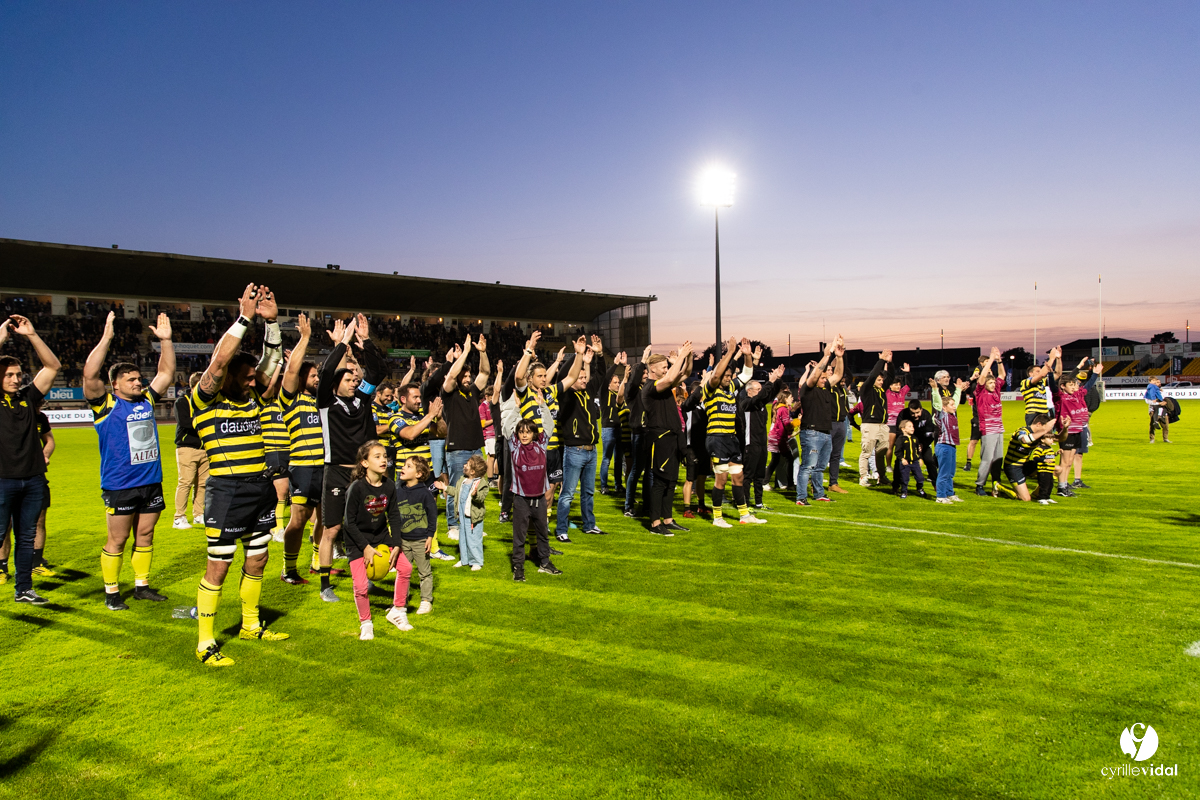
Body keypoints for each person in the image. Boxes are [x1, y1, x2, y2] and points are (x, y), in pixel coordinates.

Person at [191, 284, 289, 667]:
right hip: (227, 491)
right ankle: (205, 642)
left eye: (254, 377)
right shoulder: (205, 397)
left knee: (258, 559)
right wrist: (246, 318)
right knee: (218, 565)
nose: (253, 381)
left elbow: (272, 365)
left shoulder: (253, 400)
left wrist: (272, 324)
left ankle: (250, 625)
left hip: (259, 487)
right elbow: (217, 365)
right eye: (246, 377)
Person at [82, 311, 175, 609]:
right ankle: (111, 593)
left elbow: (166, 374)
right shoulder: (106, 404)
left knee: (145, 535)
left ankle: (141, 586)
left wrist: (167, 342)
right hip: (120, 485)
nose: (139, 382)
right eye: (131, 379)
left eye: (138, 377)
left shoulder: (146, 400)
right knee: (118, 540)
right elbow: (89, 375)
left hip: (151, 482)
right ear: (116, 385)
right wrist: (107, 337)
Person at [316, 314, 389, 601]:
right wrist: (342, 343)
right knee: (332, 528)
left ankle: (365, 578)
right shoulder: (325, 401)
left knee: (363, 528)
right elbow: (324, 375)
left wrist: (367, 341)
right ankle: (325, 585)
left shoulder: (362, 398)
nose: (353, 382)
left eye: (354, 378)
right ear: (337, 382)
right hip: (335, 472)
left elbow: (379, 369)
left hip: (361, 476)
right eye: (348, 379)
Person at [0, 314, 61, 604]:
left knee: (26, 538)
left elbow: (52, 366)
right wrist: (2, 337)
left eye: (18, 374)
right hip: (2, 481)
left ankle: (23, 589)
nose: (16, 379)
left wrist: (32, 335)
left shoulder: (29, 398)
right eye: (9, 374)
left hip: (34, 480)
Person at [342, 441, 415, 640]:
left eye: (384, 456)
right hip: (357, 540)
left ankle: (398, 611)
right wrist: (365, 547)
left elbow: (394, 516)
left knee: (406, 569)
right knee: (360, 586)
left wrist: (397, 544)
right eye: (377, 456)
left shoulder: (390, 485)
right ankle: (366, 623)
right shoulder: (356, 488)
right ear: (364, 463)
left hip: (382, 536)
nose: (383, 460)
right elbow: (348, 523)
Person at [278, 314, 324, 585]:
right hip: (303, 467)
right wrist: (304, 339)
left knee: (324, 517)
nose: (317, 379)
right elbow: (291, 373)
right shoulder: (291, 401)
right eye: (314, 375)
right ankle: (289, 568)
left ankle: (317, 562)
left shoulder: (320, 403)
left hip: (324, 467)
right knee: (298, 519)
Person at [703, 337, 764, 527]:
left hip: (731, 438)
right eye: (726, 376)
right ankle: (717, 518)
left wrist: (747, 355)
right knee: (721, 479)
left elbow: (747, 374)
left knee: (738, 476)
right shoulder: (711, 389)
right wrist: (729, 353)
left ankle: (744, 515)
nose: (728, 378)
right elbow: (714, 377)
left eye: (730, 376)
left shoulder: (730, 388)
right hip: (717, 438)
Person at [641, 341, 694, 535]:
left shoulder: (666, 382)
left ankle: (668, 519)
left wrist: (687, 357)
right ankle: (655, 523)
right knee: (660, 482)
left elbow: (686, 373)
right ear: (652, 369)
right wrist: (679, 358)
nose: (666, 369)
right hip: (660, 438)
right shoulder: (650, 387)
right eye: (663, 366)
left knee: (671, 481)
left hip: (673, 437)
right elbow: (672, 376)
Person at [556, 336, 606, 539]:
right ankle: (561, 530)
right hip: (574, 450)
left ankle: (589, 524)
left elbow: (601, 374)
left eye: (585, 377)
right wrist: (577, 354)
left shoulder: (588, 391)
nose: (584, 380)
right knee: (567, 494)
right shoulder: (566, 394)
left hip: (591, 450)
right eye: (580, 377)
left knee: (588, 492)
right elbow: (562, 375)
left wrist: (600, 355)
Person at [440, 334, 490, 536]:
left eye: (470, 376)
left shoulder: (473, 392)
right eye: (465, 376)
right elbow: (451, 376)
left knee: (477, 488)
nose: (468, 379)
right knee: (457, 487)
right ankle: (453, 525)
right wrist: (466, 352)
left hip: (476, 447)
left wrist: (482, 352)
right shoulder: (449, 393)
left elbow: (485, 371)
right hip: (457, 448)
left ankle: (473, 522)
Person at [794, 338, 843, 507]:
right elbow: (815, 374)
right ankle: (801, 497)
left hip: (825, 432)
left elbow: (838, 375)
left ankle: (819, 494)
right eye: (822, 377)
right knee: (807, 466)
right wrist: (827, 355)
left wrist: (839, 357)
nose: (825, 379)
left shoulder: (826, 388)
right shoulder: (808, 389)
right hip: (812, 432)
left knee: (820, 467)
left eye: (825, 378)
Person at [507, 418, 558, 581]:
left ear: (534, 433)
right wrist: (514, 408)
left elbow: (550, 426)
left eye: (528, 432)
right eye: (521, 432)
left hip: (539, 499)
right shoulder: (514, 447)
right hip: (521, 500)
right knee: (519, 536)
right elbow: (507, 427)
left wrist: (543, 405)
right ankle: (518, 567)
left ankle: (545, 562)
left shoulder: (541, 445)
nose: (524, 435)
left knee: (543, 533)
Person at [393, 455, 439, 615]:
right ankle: (400, 603)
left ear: (418, 474)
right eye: (404, 465)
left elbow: (432, 516)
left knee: (424, 572)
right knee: (402, 572)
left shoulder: (425, 494)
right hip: (403, 540)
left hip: (421, 541)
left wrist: (430, 536)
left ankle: (426, 600)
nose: (403, 468)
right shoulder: (398, 492)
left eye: (408, 466)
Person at [1050, 361, 1101, 497]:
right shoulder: (1060, 397)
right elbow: (1053, 388)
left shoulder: (1078, 394)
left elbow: (1088, 386)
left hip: (1078, 430)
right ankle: (1061, 488)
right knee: (1065, 461)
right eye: (1071, 385)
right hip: (1068, 432)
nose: (1074, 387)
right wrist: (1050, 373)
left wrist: (1095, 374)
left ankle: (1065, 485)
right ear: (1063, 387)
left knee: (1070, 461)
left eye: (1075, 384)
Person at [739, 355, 784, 510]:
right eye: (757, 389)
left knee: (760, 475)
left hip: (761, 444)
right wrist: (770, 383)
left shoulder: (761, 403)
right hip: (750, 445)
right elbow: (764, 395)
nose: (760, 392)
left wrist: (777, 379)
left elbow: (771, 393)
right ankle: (744, 503)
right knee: (748, 476)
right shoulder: (746, 404)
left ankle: (758, 502)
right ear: (749, 391)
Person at [173, 372, 209, 529]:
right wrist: (205, 423)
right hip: (187, 448)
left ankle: (199, 514)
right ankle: (179, 517)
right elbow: (185, 422)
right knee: (185, 483)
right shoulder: (183, 401)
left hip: (205, 448)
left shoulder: (207, 402)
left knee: (203, 484)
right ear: (196, 385)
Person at [970, 348, 1007, 497]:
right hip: (988, 429)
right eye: (990, 382)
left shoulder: (996, 390)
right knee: (987, 458)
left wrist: (999, 360)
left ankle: (995, 484)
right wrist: (991, 359)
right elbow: (983, 375)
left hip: (999, 429)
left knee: (998, 459)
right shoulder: (980, 392)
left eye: (993, 382)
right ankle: (979, 485)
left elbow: (1002, 374)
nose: (993, 384)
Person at [999, 414, 1060, 503]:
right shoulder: (1022, 431)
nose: (1047, 431)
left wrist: (1065, 428)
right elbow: (1024, 439)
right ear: (1039, 424)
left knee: (1056, 469)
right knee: (1025, 499)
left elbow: (1059, 438)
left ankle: (1037, 494)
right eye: (1045, 428)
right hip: (1013, 466)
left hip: (1026, 465)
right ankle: (999, 486)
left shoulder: (1039, 435)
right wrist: (1045, 430)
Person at [929, 371, 970, 504]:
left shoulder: (951, 414)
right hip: (944, 446)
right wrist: (935, 390)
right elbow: (936, 403)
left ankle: (949, 493)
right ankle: (940, 496)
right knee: (944, 473)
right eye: (951, 405)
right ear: (944, 408)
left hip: (951, 446)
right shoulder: (941, 415)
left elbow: (956, 401)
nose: (954, 407)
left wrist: (958, 389)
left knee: (950, 473)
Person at [447, 454, 487, 570]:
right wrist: (445, 488)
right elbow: (456, 492)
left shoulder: (481, 484)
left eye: (467, 465)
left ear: (473, 471)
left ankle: (476, 561)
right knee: (463, 537)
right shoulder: (462, 481)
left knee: (474, 539)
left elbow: (481, 498)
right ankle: (464, 559)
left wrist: (475, 495)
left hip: (473, 517)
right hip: (463, 515)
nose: (464, 465)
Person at [857, 352, 891, 485]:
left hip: (882, 424)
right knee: (866, 452)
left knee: (881, 453)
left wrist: (889, 363)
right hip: (870, 424)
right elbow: (872, 376)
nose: (882, 382)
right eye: (879, 380)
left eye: (882, 380)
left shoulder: (881, 391)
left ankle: (881, 477)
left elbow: (891, 376)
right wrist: (881, 361)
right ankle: (863, 477)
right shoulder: (866, 389)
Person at [598, 353, 628, 495]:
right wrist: (615, 364)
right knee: (606, 459)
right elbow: (603, 379)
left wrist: (625, 367)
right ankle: (604, 486)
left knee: (618, 460)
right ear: (609, 383)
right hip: (608, 429)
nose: (618, 384)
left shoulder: (619, 396)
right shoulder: (604, 394)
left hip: (619, 429)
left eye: (618, 382)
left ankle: (618, 485)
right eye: (615, 382)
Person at [896, 400, 940, 486]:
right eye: (913, 413)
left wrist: (923, 444)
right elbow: (899, 432)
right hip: (907, 444)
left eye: (917, 412)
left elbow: (930, 433)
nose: (915, 415)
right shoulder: (903, 415)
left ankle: (936, 484)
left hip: (922, 443)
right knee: (899, 462)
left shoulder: (926, 415)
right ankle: (897, 485)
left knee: (929, 461)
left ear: (921, 409)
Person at [1019, 347, 1061, 425]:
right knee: (1035, 435)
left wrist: (1058, 359)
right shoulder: (1026, 382)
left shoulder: (1043, 382)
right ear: (1030, 374)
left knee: (1045, 435)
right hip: (1033, 413)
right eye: (1037, 371)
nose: (1040, 372)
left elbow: (1057, 374)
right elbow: (1042, 374)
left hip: (1044, 412)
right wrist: (1051, 358)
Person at [883, 362, 911, 467]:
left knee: (903, 446)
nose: (898, 386)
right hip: (890, 424)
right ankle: (888, 466)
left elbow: (909, 385)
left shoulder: (902, 393)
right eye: (895, 384)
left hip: (901, 424)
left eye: (899, 384)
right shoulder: (887, 393)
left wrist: (907, 373)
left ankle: (903, 465)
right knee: (890, 446)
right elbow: (884, 383)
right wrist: (886, 372)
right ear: (890, 385)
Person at [766, 388, 793, 491]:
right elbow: (786, 424)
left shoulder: (781, 408)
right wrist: (797, 422)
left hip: (776, 437)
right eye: (790, 397)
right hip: (778, 438)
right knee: (788, 459)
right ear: (785, 398)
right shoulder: (783, 409)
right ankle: (789, 484)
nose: (792, 399)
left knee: (776, 460)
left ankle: (766, 482)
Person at [892, 420, 928, 499]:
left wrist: (920, 458)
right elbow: (897, 451)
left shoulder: (915, 438)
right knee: (905, 478)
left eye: (913, 427)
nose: (912, 428)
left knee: (920, 477)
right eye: (910, 427)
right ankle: (904, 491)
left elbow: (917, 450)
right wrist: (902, 459)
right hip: (905, 463)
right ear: (903, 429)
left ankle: (920, 488)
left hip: (914, 462)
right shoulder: (900, 439)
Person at [1145, 376, 1172, 443]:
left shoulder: (1162, 391)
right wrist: (1158, 403)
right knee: (1153, 425)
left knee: (1165, 425)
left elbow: (1165, 399)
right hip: (1153, 411)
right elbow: (1147, 401)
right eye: (1157, 382)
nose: (1159, 383)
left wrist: (1165, 403)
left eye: (1159, 382)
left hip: (1163, 410)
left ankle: (1165, 439)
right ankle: (1152, 439)